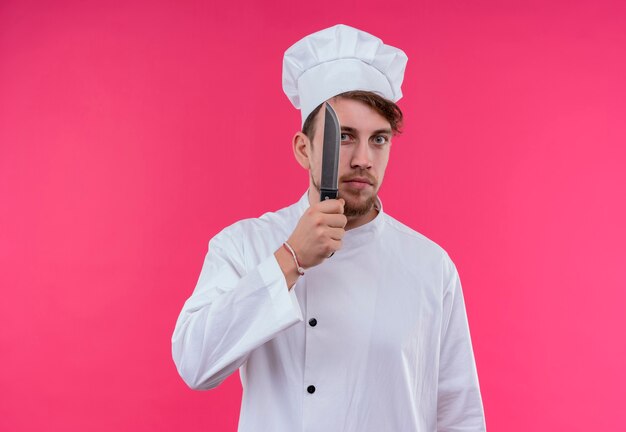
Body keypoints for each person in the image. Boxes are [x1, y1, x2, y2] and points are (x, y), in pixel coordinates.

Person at [172, 24, 486, 432]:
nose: (363, 159)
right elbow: (195, 364)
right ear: (304, 149)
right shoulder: (244, 246)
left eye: (379, 140)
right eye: (346, 137)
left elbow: (458, 415)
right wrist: (290, 260)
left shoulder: (430, 266)